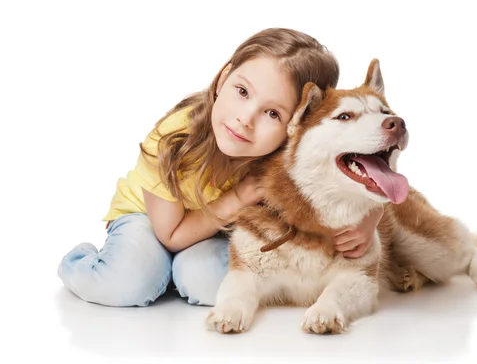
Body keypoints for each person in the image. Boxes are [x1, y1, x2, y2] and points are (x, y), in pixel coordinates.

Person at [57, 27, 384, 307]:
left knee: (210, 282)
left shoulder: (292, 150)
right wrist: (239, 197)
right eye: (242, 91)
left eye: (273, 114)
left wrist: (371, 218)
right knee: (128, 280)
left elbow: (355, 177)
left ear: (298, 124)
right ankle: (82, 263)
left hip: (216, 229)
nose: (245, 119)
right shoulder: (174, 138)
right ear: (224, 78)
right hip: (151, 220)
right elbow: (170, 235)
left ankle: (171, 273)